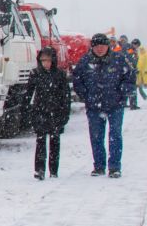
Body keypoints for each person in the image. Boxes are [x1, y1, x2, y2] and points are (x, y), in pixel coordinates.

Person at [71, 33, 136, 178]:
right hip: (94, 106)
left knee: (115, 135)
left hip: (115, 105)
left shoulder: (119, 59)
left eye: (103, 45)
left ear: (108, 46)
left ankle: (114, 167)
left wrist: (123, 93)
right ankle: (99, 166)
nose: (100, 49)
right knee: (96, 137)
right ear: (92, 47)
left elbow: (130, 77)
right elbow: (77, 80)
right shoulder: (85, 62)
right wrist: (86, 96)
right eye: (97, 46)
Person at [26, 46, 71, 179]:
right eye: (43, 60)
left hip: (56, 112)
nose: (45, 63)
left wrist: (65, 113)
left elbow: (66, 96)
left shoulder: (60, 74)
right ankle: (39, 170)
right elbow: (29, 94)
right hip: (40, 112)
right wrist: (28, 112)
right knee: (40, 141)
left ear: (53, 60)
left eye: (48, 60)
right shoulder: (35, 73)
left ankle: (54, 170)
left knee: (55, 142)